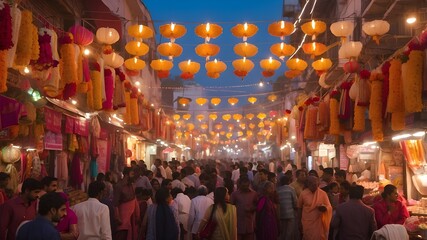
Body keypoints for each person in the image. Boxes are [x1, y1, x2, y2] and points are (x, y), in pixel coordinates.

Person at [298, 176, 332, 240]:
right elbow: (299, 208)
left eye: (316, 184)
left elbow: (329, 206)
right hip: (307, 222)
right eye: (312, 184)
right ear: (308, 184)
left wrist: (324, 208)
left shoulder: (323, 193)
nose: (314, 186)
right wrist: (299, 221)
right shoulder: (303, 194)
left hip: (319, 222)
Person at [113, 167, 140, 240]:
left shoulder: (133, 185)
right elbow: (115, 203)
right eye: (132, 174)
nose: (134, 176)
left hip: (132, 217)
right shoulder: (119, 186)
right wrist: (117, 217)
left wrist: (137, 214)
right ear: (126, 175)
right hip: (122, 217)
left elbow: (134, 200)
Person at [277, 175, 297, 240]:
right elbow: (295, 201)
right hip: (290, 214)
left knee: (283, 232)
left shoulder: (278, 190)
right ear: (288, 181)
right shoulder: (291, 189)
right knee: (289, 233)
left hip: (281, 214)